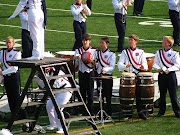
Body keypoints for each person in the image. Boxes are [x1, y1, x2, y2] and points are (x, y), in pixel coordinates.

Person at [117, 34, 148, 120]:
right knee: (128, 96)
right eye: (129, 40)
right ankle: (128, 113)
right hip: (128, 76)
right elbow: (119, 63)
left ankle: (140, 112)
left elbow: (144, 63)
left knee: (138, 95)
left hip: (137, 75)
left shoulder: (141, 52)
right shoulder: (125, 52)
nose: (130, 41)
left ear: (136, 41)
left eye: (132, 40)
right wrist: (125, 66)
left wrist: (143, 67)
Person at [153, 36, 180, 118]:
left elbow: (177, 66)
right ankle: (161, 111)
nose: (162, 42)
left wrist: (168, 69)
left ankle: (177, 111)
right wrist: (158, 68)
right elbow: (155, 63)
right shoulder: (159, 52)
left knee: (173, 95)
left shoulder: (174, 53)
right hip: (161, 75)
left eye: (164, 41)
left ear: (169, 43)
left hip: (171, 75)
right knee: (162, 94)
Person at [0, 36, 25, 119]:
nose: (8, 44)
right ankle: (14, 115)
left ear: (13, 43)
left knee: (16, 97)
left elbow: (15, 68)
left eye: (10, 42)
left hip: (14, 77)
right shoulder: (2, 52)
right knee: (10, 97)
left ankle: (21, 115)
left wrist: (2, 72)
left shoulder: (17, 53)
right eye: (7, 42)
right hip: (6, 77)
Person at [45, 68, 72, 134]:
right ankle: (53, 124)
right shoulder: (49, 73)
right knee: (49, 106)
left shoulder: (57, 71)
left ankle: (62, 127)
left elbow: (56, 85)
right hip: (57, 91)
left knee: (57, 109)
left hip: (65, 90)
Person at [75, 33, 96, 115]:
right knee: (82, 92)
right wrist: (75, 59)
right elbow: (76, 63)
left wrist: (93, 60)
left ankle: (90, 110)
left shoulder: (94, 50)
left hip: (90, 73)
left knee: (90, 92)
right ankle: (83, 110)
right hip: (81, 72)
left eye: (86, 40)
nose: (84, 42)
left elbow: (95, 64)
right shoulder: (78, 50)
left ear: (89, 41)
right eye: (83, 40)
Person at [95, 37, 116, 116]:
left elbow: (112, 67)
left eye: (102, 43)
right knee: (100, 95)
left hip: (107, 77)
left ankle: (108, 112)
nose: (101, 45)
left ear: (107, 44)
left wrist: (105, 69)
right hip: (99, 76)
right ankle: (101, 111)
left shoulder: (111, 54)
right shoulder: (97, 53)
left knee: (108, 95)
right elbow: (96, 62)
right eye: (100, 43)